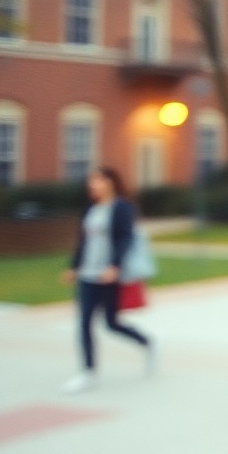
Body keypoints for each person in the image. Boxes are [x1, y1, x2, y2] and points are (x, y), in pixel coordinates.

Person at [60, 167, 155, 394]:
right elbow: (82, 241)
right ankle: (88, 373)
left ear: (110, 182)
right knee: (84, 323)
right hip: (88, 275)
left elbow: (125, 239)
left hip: (109, 276)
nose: (92, 185)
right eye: (91, 181)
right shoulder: (91, 209)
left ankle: (148, 343)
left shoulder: (121, 208)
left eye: (98, 180)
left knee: (112, 323)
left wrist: (114, 266)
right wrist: (74, 267)